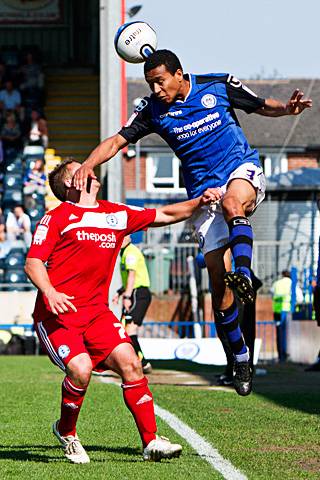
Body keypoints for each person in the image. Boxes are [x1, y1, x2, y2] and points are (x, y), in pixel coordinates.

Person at [73, 49, 312, 396]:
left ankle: (243, 273)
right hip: (202, 195)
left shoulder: (217, 85)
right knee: (217, 282)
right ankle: (240, 358)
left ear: (179, 74)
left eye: (160, 81)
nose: (155, 89)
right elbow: (116, 141)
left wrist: (287, 109)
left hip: (240, 170)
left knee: (234, 203)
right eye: (150, 83)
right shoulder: (153, 111)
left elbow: (260, 104)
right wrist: (87, 164)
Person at [24, 157, 217, 464]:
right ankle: (67, 431)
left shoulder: (115, 213)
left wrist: (200, 200)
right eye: (81, 168)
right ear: (73, 182)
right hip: (57, 315)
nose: (91, 168)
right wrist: (50, 291)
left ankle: (151, 441)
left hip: (97, 313)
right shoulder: (57, 217)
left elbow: (165, 213)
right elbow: (33, 262)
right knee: (81, 369)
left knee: (131, 363)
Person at [113, 235, 152, 374]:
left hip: (138, 294)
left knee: (129, 330)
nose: (122, 238)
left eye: (125, 235)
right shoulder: (124, 252)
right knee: (124, 330)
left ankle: (142, 363)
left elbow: (132, 275)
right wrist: (120, 291)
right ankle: (138, 362)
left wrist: (127, 296)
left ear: (130, 237)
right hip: (133, 293)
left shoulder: (131, 252)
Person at [271, 270, 303, 362]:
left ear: (282, 275)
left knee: (279, 334)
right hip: (289, 312)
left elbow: (272, 294)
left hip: (277, 312)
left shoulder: (276, 283)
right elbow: (300, 298)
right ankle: (287, 354)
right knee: (288, 334)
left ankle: (281, 355)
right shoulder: (292, 284)